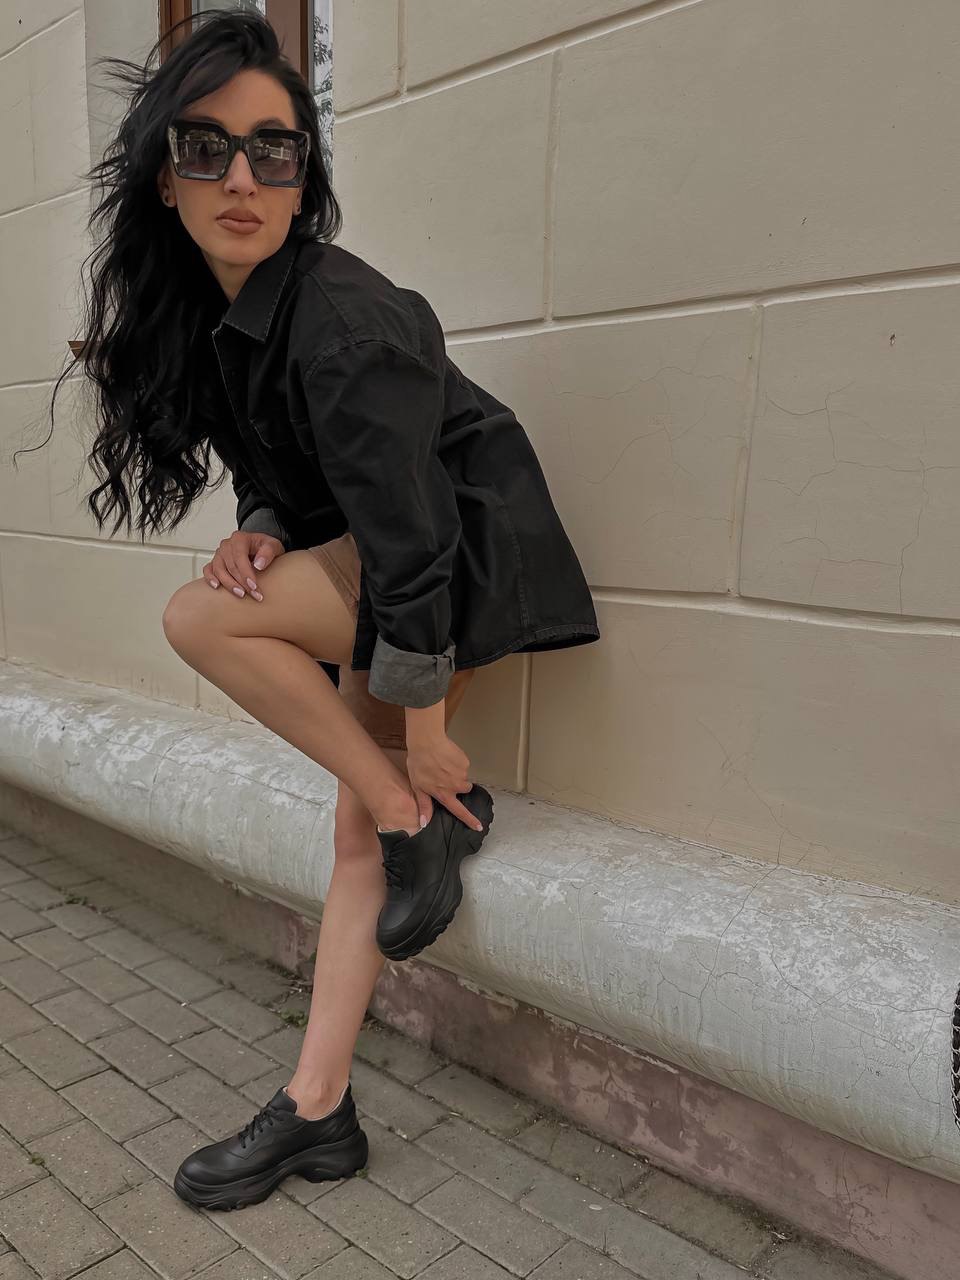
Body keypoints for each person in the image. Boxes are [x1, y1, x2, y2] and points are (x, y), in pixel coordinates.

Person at [53, 8, 600, 1211]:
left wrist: (426, 734)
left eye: (275, 149)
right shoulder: (218, 312)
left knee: (205, 623)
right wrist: (258, 518)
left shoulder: (342, 320)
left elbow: (418, 540)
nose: (243, 177)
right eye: (207, 148)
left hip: (453, 562)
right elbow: (284, 460)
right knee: (358, 825)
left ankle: (418, 809)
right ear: (165, 176)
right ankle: (320, 1108)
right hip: (393, 562)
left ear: (304, 174)